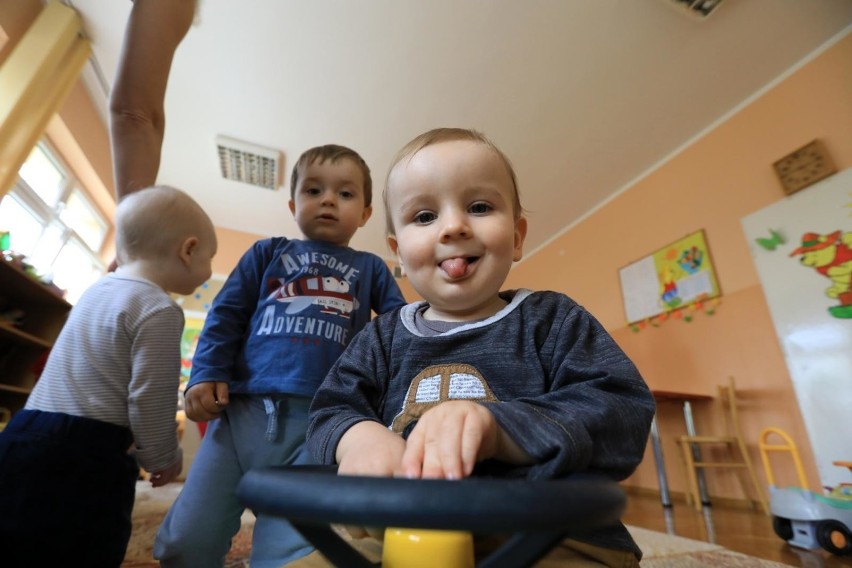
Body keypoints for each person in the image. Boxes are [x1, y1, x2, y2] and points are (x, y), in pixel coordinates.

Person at [305, 128, 656, 567]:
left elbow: (622, 412)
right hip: (396, 532)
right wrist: (358, 439)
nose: (453, 226)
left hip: (553, 533)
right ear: (397, 252)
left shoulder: (553, 319)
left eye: (479, 207)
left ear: (517, 236)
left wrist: (501, 427)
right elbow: (329, 410)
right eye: (424, 216)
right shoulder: (381, 336)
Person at [153, 144, 407, 568]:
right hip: (239, 417)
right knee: (186, 540)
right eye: (314, 190)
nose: (328, 200)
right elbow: (226, 313)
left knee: (290, 553)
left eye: (345, 194)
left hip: (322, 426)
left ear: (364, 214)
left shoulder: (371, 268)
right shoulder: (266, 253)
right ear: (293, 205)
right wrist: (206, 371)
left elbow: (399, 328)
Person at [0, 185, 217, 566]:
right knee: (86, 544)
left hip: (23, 433)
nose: (210, 270)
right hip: (86, 452)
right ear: (188, 250)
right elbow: (151, 394)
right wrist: (163, 455)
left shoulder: (96, 291)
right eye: (210, 258)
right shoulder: (160, 309)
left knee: (15, 533)